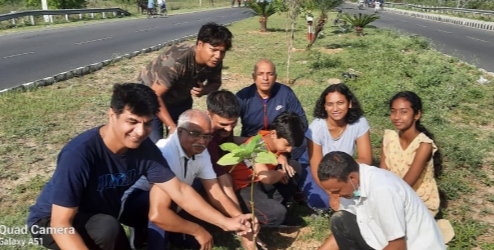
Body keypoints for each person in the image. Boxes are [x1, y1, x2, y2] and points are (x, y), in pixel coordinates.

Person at [27, 83, 254, 250]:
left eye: (147, 124)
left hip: (101, 217)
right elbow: (60, 223)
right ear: (112, 115)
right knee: (106, 228)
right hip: (49, 222)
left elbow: (181, 191)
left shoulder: (145, 149)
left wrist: (227, 222)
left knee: (109, 227)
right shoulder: (80, 154)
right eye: (132, 122)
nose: (139, 132)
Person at [121, 109, 257, 249]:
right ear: (180, 131)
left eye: (207, 136)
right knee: (169, 205)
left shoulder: (201, 150)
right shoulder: (165, 153)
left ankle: (162, 234)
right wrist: (201, 230)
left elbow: (215, 193)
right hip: (135, 204)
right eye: (195, 134)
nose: (202, 141)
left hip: (174, 200)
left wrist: (240, 219)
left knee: (192, 243)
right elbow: (159, 213)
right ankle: (145, 235)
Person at [317, 151, 445, 250]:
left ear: (352, 178)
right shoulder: (352, 185)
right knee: (340, 219)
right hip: (382, 243)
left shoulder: (383, 189)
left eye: (336, 191)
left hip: (410, 247)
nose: (335, 196)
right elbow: (343, 229)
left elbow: (398, 246)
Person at [138, 22, 233, 143]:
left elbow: (215, 83)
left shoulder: (215, 60)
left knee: (183, 141)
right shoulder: (176, 61)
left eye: (222, 51)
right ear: (200, 44)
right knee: (154, 144)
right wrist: (171, 126)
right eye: (213, 50)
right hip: (150, 99)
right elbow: (155, 95)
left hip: (179, 99)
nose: (218, 56)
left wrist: (204, 90)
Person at [236, 59, 308, 188]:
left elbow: (301, 122)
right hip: (255, 146)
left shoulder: (285, 93)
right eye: (260, 74)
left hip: (282, 144)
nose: (265, 78)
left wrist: (283, 154)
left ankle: (290, 193)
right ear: (253, 77)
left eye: (270, 74)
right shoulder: (243, 96)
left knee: (302, 143)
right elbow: (228, 122)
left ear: (275, 77)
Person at [302, 83, 372, 212]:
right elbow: (316, 167)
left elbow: (365, 158)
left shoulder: (359, 123)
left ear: (349, 103)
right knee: (321, 202)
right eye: (330, 104)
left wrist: (345, 174)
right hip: (322, 172)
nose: (335, 108)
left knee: (368, 193)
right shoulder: (316, 128)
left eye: (340, 103)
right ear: (324, 106)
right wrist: (332, 194)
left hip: (346, 170)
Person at [228, 111, 305, 227]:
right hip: (246, 187)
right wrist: (280, 173)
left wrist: (282, 155)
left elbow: (279, 154)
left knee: (294, 167)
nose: (289, 150)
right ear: (273, 134)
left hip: (260, 183)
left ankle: (277, 204)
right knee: (276, 214)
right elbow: (265, 177)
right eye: (287, 145)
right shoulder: (256, 146)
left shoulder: (274, 139)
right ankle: (252, 217)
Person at [380, 91, 443, 215]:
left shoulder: (423, 145)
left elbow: (406, 185)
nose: (397, 117)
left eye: (404, 112)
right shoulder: (389, 138)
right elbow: (383, 175)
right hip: (392, 195)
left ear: (417, 115)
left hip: (417, 200)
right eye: (393, 111)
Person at [206, 90, 243, 208]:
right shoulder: (206, 139)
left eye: (233, 124)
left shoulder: (224, 129)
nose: (229, 130)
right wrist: (238, 215)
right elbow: (223, 179)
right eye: (223, 125)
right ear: (208, 114)